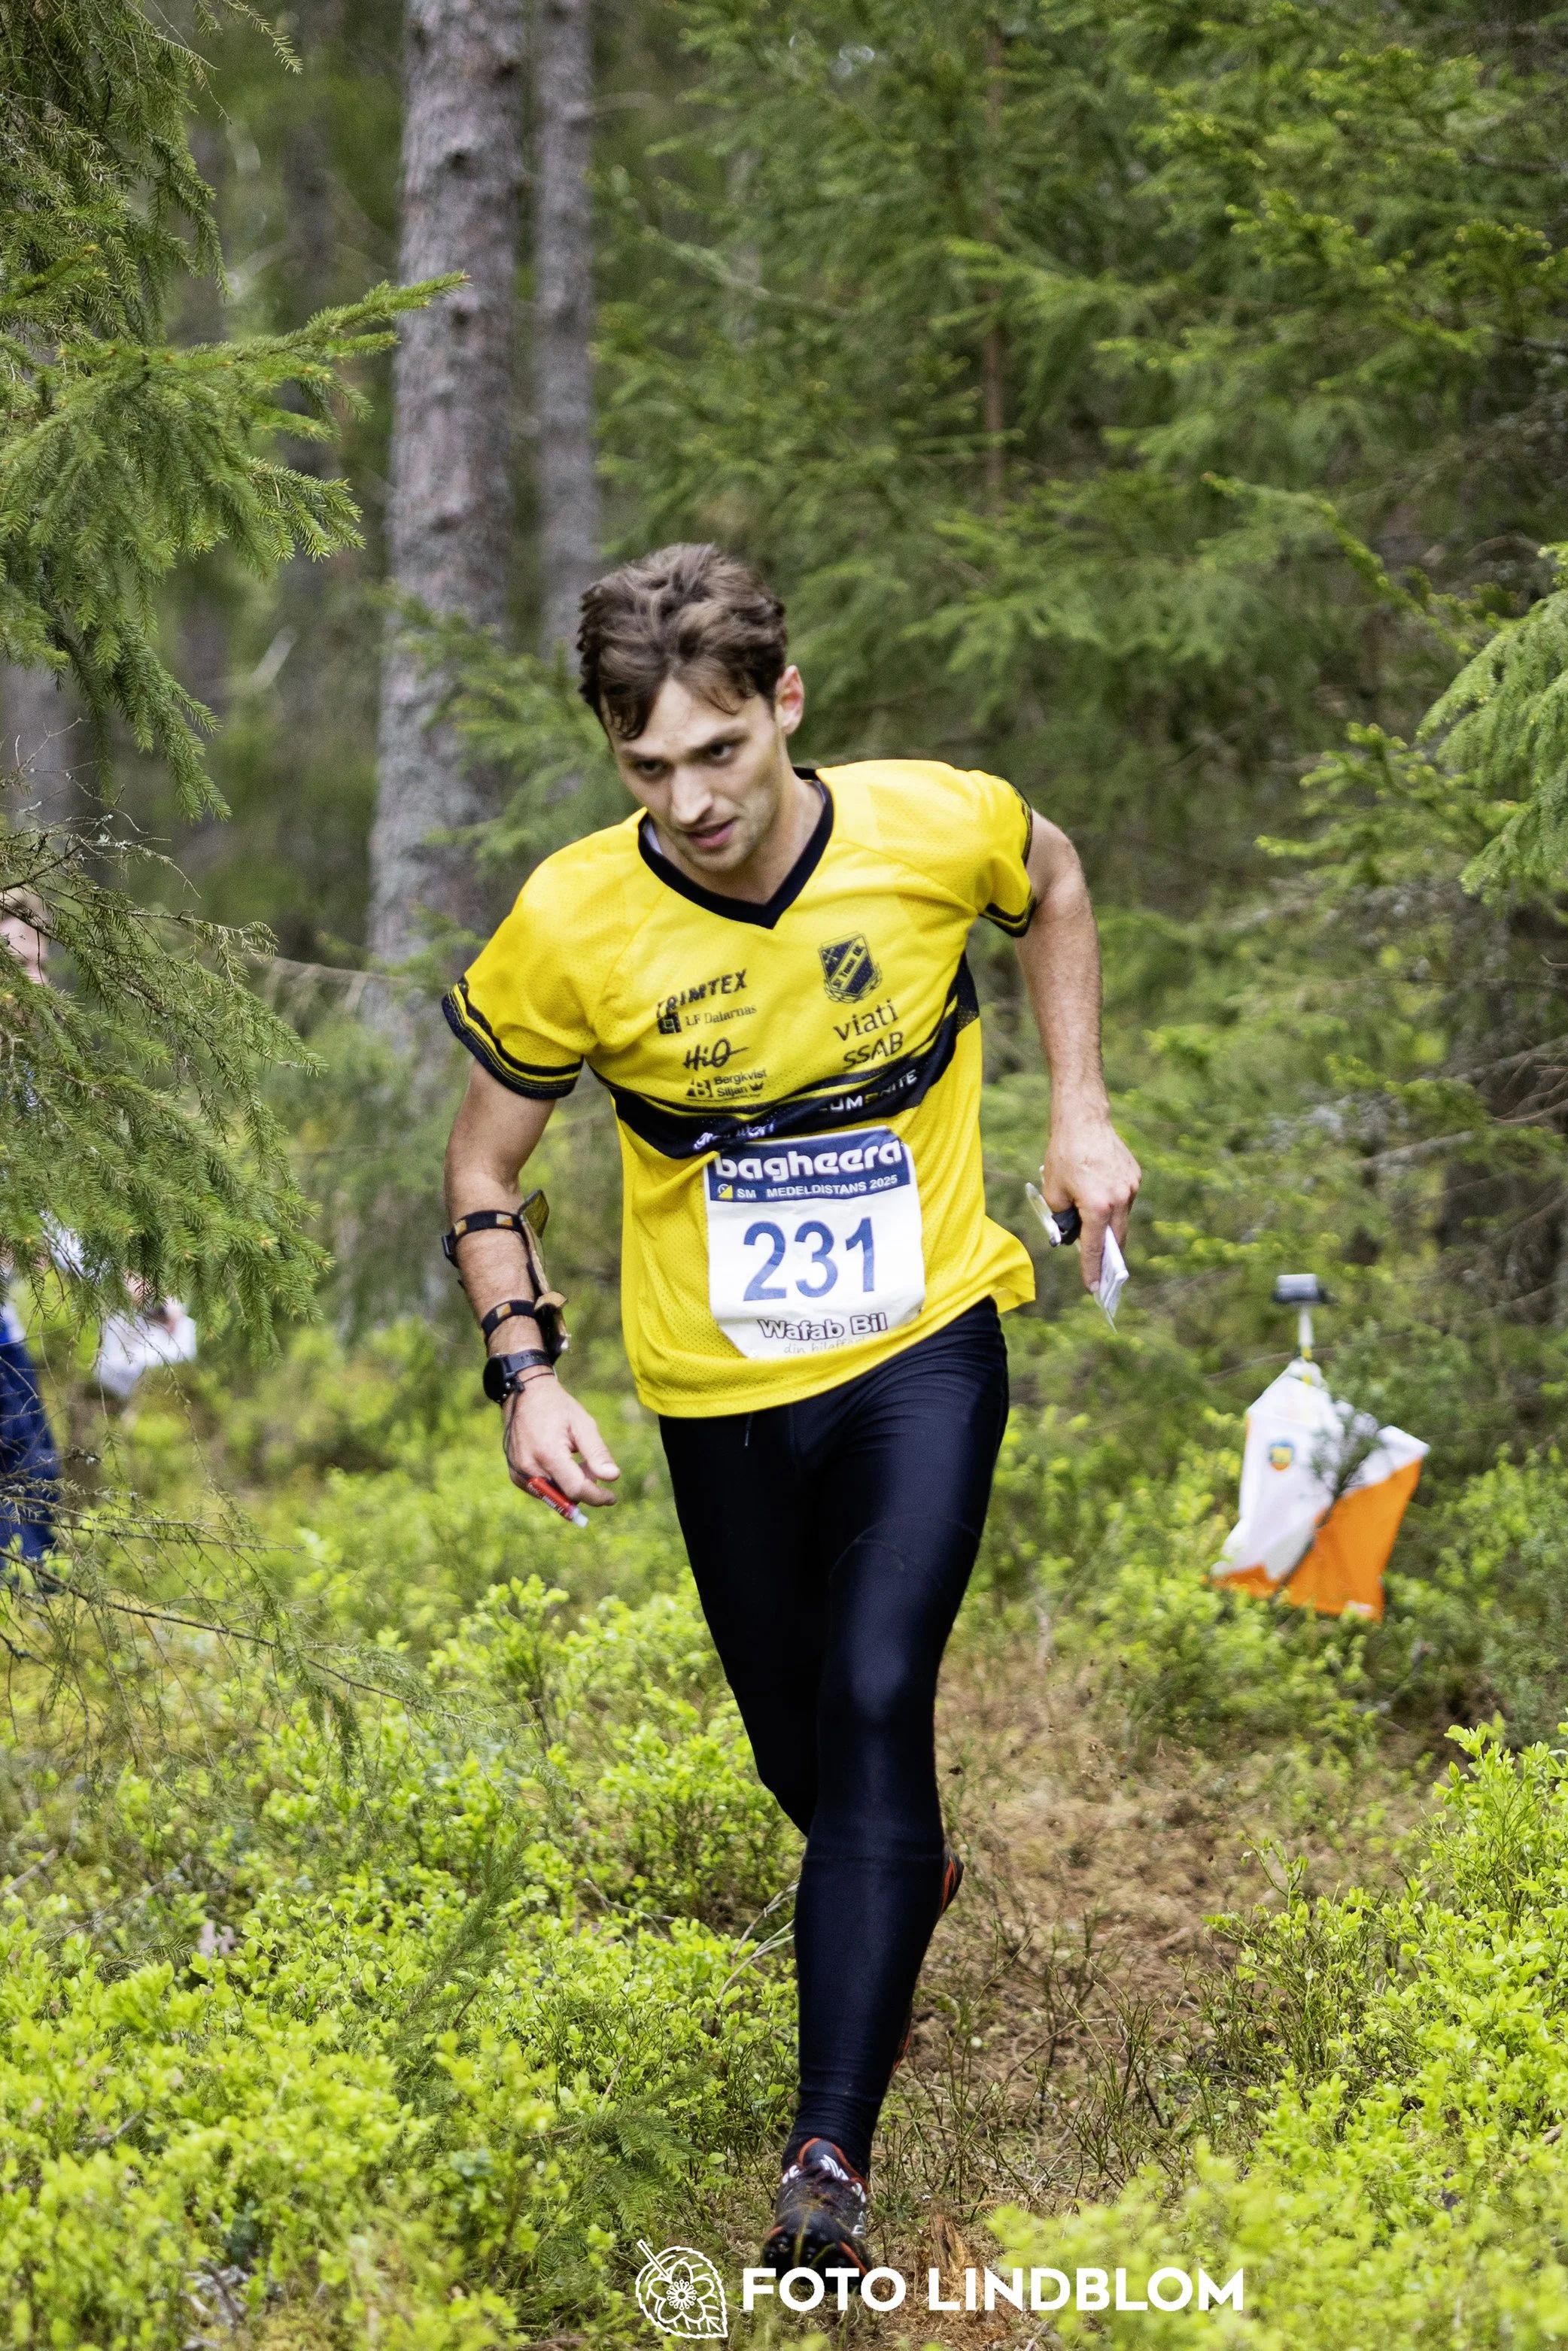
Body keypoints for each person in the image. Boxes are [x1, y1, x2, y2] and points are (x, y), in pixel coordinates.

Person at [439, 544, 1140, 2274]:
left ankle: (826, 2160)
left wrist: (1078, 1110)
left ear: (785, 704)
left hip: (924, 1335)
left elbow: (1052, 877)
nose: (690, 801)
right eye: (647, 767)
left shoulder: (927, 824)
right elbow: (484, 1165)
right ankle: (896, 1876)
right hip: (719, 1386)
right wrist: (527, 1371)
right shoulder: (572, 921)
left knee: (879, 1685)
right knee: (805, 1759)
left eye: (720, 750)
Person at [1, 891, 63, 1573]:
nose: (38, 984)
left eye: (42, 964)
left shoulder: (23, 1075)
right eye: (21, 967)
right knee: (26, 1470)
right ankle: (27, 1599)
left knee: (35, 1467)